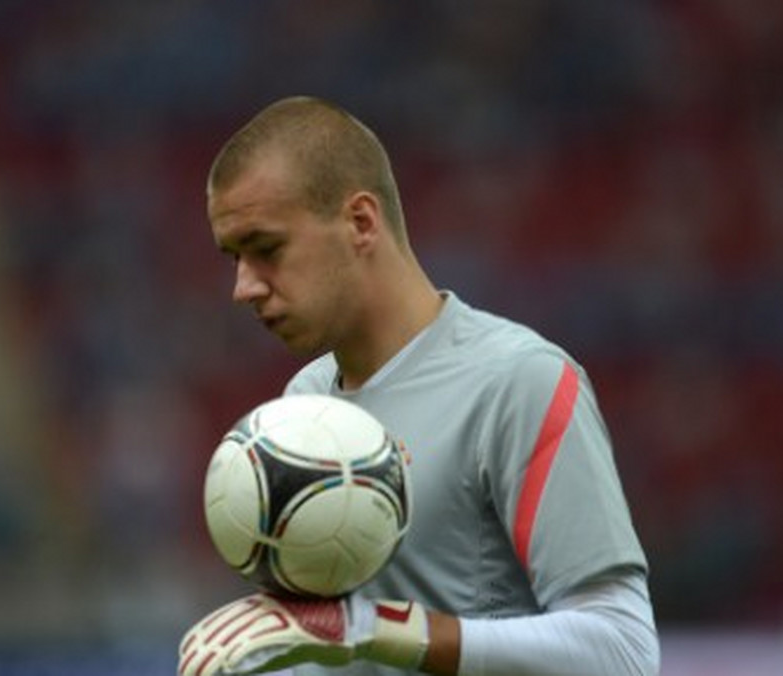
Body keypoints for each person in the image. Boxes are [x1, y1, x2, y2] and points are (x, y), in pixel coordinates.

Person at [177, 96, 659, 676]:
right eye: (234, 257)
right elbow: (332, 643)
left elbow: (624, 652)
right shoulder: (301, 405)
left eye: (266, 249)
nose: (243, 287)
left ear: (360, 222)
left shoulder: (518, 380)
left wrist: (377, 629)